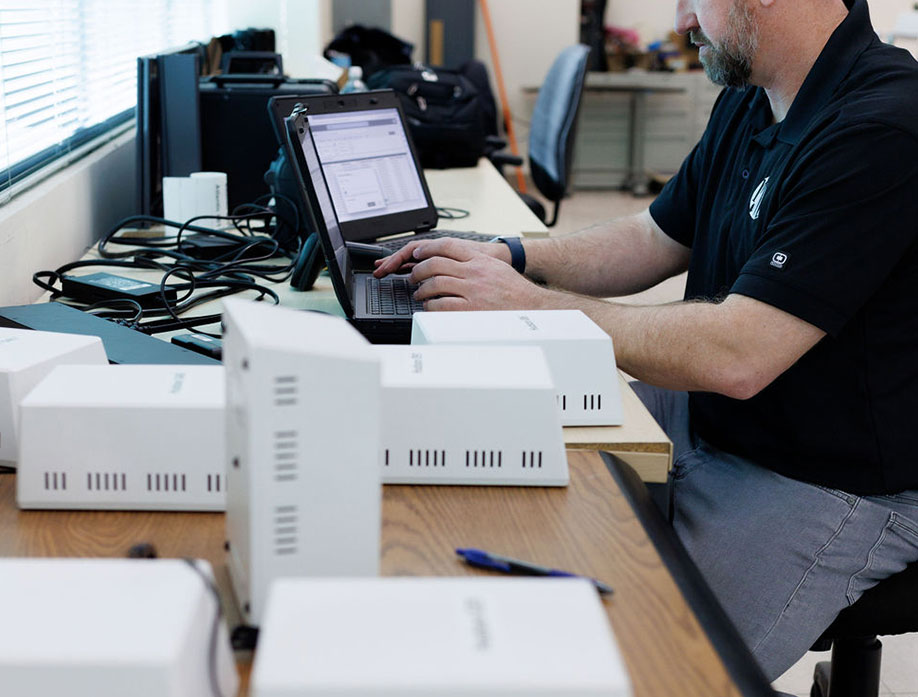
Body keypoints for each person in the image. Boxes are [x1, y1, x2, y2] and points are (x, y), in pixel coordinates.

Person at [374, 0, 918, 680]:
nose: (683, 21)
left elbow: (738, 353)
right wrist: (511, 257)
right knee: (495, 475)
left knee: (642, 669)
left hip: (826, 475)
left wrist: (532, 307)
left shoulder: (883, 126)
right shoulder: (757, 97)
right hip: (710, 413)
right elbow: (654, 235)